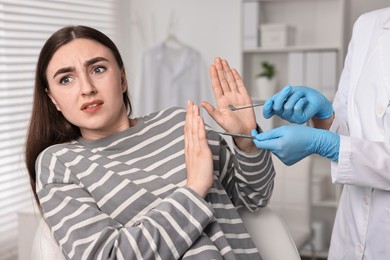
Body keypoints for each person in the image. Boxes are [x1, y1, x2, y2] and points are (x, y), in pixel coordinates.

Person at [24, 25, 275, 259]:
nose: (87, 88)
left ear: (122, 78)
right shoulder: (61, 163)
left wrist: (247, 141)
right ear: (53, 98)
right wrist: (195, 189)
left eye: (98, 69)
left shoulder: (180, 124)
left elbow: (253, 197)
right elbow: (108, 255)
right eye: (66, 79)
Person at [251, 7, 390, 259]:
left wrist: (330, 146)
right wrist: (324, 116)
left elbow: (343, 147)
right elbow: (347, 130)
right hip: (350, 235)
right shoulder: (367, 26)